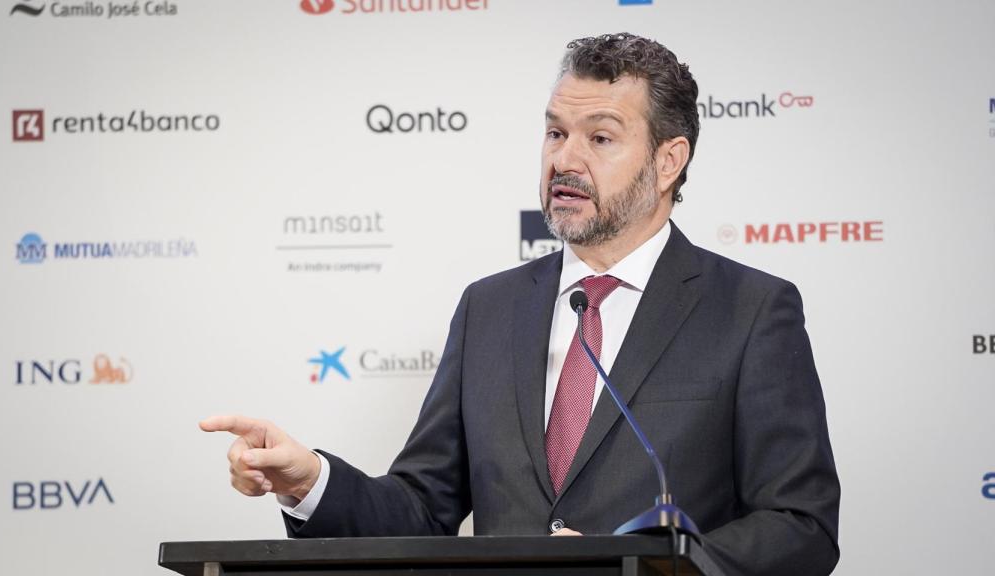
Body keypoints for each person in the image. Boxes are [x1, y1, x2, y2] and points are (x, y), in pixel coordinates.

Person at [201, 33, 840, 575]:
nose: (565, 158)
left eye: (601, 138)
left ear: (669, 160)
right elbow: (424, 507)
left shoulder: (751, 310)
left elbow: (801, 526)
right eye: (555, 132)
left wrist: (653, 565)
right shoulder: (490, 308)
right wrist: (310, 483)